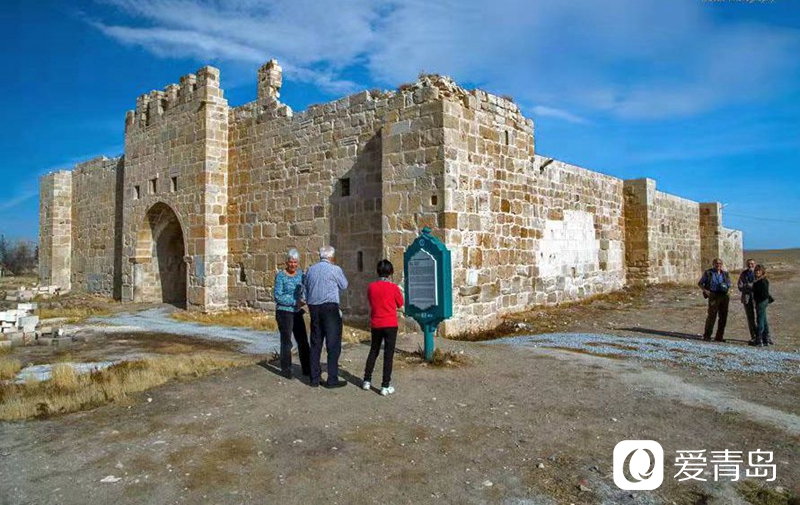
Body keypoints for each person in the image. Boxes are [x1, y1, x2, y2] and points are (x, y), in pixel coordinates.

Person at [302, 245, 349, 388]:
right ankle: (332, 378)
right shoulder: (335, 270)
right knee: (333, 343)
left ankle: (314, 379)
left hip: (314, 308)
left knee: (316, 343)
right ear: (332, 257)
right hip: (329, 308)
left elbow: (304, 293)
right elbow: (344, 285)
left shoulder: (310, 270)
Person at [362, 259, 404, 397]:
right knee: (388, 355)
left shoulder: (371, 287)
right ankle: (385, 385)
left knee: (373, 351)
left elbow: (371, 301)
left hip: (376, 323)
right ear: (390, 273)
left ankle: (366, 380)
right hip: (390, 324)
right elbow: (400, 303)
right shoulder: (393, 288)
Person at [273, 249, 310, 379]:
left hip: (297, 312)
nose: (293, 265)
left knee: (303, 341)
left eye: (295, 262)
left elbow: (306, 288)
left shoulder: (301, 274)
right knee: (286, 341)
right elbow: (278, 296)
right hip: (284, 312)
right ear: (286, 262)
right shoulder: (281, 276)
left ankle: (307, 368)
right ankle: (286, 369)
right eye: (290, 262)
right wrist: (295, 302)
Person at [698, 258, 732, 342]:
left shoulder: (725, 274)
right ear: (713, 264)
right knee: (711, 316)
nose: (718, 265)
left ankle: (719, 337)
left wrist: (727, 288)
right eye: (716, 263)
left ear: (722, 264)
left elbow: (729, 284)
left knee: (723, 317)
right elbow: (700, 283)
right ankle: (707, 335)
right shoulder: (708, 273)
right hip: (713, 295)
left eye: (720, 263)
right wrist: (706, 291)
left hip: (724, 296)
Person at [752, 264, 775, 347]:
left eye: (759, 270)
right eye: (756, 270)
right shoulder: (758, 280)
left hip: (761, 302)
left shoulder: (763, 281)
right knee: (764, 320)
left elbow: (764, 294)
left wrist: (758, 301)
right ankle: (766, 339)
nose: (757, 272)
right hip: (761, 302)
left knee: (760, 320)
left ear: (762, 272)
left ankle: (759, 339)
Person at [737, 258, 758, 345]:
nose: (750, 265)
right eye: (748, 264)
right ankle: (753, 336)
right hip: (746, 298)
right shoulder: (744, 274)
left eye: (752, 264)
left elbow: (759, 285)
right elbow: (740, 285)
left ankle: (762, 336)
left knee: (760, 317)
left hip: (757, 298)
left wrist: (748, 286)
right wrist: (751, 286)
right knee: (750, 318)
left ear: (755, 264)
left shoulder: (758, 273)